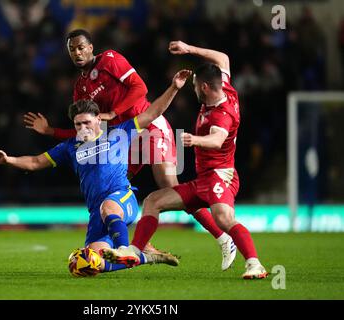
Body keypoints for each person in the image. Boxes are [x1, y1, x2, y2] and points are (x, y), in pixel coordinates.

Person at [23, 29, 236, 270]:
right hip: (124, 138)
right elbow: (85, 130)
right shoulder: (80, 87)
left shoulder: (110, 60)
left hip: (148, 127)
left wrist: (114, 113)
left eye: (81, 47)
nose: (77, 52)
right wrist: (51, 131)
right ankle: (136, 247)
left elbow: (139, 88)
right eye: (72, 49)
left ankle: (223, 237)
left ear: (91, 47)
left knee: (171, 188)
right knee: (115, 188)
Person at [0, 69, 192, 274]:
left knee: (108, 207)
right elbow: (35, 162)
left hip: (121, 199)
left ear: (98, 119)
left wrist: (174, 87)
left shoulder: (120, 133)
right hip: (96, 212)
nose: (83, 127)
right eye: (78, 124)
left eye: (87, 122)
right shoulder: (69, 147)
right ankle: (144, 257)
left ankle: (124, 248)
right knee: (89, 263)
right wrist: (7, 160)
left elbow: (153, 113)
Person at [102, 41, 268, 280]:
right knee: (153, 201)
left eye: (195, 87)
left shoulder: (222, 114)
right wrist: (189, 49)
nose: (194, 91)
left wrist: (194, 140)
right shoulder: (227, 90)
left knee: (224, 218)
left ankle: (254, 263)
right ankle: (133, 251)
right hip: (203, 180)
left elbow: (218, 140)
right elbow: (222, 57)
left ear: (205, 87)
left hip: (220, 177)